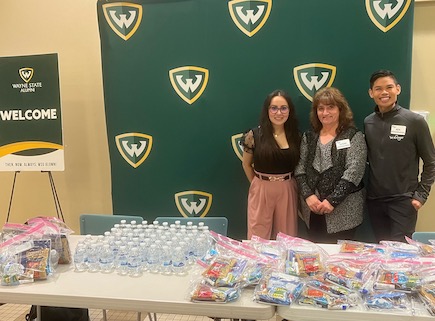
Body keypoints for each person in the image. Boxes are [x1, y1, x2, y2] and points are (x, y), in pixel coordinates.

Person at [364, 69, 435, 242]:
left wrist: (421, 195)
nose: (384, 92)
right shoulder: (368, 122)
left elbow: (431, 162)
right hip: (375, 201)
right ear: (371, 93)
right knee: (381, 249)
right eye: (378, 89)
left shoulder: (414, 121)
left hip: (403, 201)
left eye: (389, 87)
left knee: (401, 255)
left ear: (398, 89)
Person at [295, 87, 366, 243]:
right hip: (311, 208)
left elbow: (354, 171)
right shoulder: (309, 136)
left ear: (341, 109)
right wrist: (308, 195)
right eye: (321, 108)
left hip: (344, 211)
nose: (325, 113)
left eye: (330, 107)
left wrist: (332, 200)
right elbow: (299, 168)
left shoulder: (354, 136)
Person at [241, 89, 301, 240]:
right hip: (261, 188)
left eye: (283, 108)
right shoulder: (253, 135)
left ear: (290, 111)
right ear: (267, 110)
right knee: (258, 238)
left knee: (286, 238)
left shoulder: (297, 137)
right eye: (274, 108)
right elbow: (246, 164)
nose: (278, 113)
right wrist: (257, 185)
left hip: (287, 188)